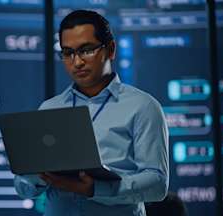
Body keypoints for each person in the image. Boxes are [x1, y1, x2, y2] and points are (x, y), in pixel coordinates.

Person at [14, 10, 169, 216]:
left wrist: (95, 188)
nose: (77, 62)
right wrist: (35, 177)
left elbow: (157, 185)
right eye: (68, 53)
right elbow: (23, 188)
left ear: (111, 49)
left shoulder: (143, 106)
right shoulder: (49, 109)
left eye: (86, 50)